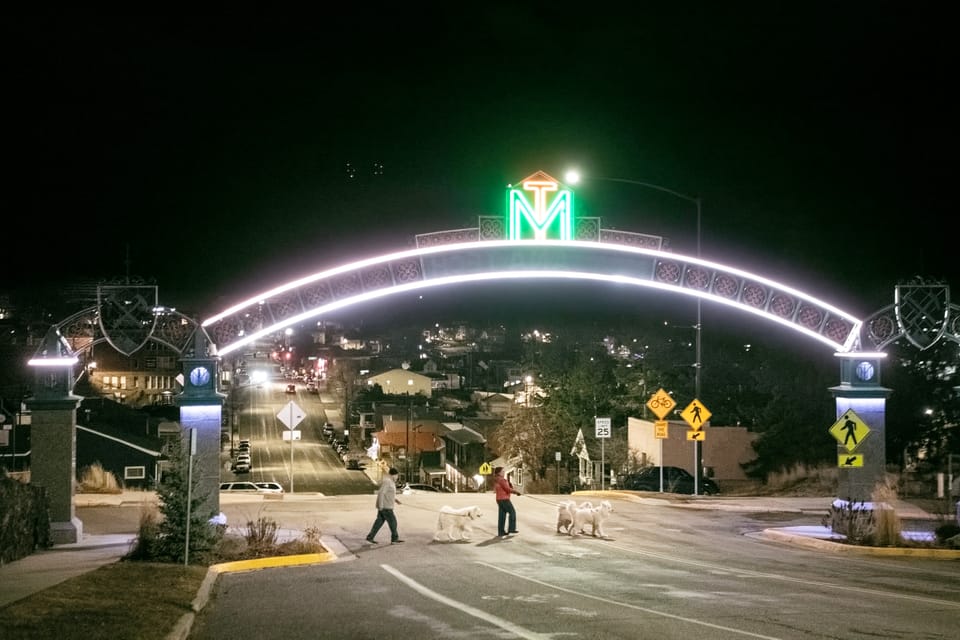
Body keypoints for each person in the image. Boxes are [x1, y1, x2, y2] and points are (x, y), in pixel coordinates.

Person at [366, 467, 403, 544]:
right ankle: (394, 539)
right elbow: (381, 493)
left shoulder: (391, 482)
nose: (397, 477)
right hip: (386, 507)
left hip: (386, 506)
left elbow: (389, 494)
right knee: (393, 522)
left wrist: (396, 500)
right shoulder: (388, 482)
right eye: (397, 475)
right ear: (393, 475)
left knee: (378, 523)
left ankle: (370, 537)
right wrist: (380, 505)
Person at [493, 466, 521, 538]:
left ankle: (501, 532)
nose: (504, 472)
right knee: (512, 512)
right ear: (499, 473)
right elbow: (507, 489)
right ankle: (511, 529)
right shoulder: (502, 480)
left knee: (502, 516)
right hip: (504, 499)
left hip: (499, 499)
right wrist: (516, 492)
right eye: (502, 471)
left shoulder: (497, 479)